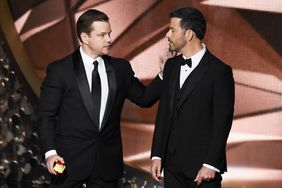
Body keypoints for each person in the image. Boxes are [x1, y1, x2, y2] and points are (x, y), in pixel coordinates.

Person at [38, 9, 161, 188]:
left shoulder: (121, 69)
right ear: (84, 37)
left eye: (109, 33)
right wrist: (50, 153)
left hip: (106, 165)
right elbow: (45, 117)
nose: (109, 39)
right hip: (67, 163)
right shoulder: (60, 70)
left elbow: (145, 98)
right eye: (102, 35)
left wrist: (164, 75)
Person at [150, 7, 235, 188]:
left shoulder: (219, 71)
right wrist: (157, 155)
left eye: (172, 30)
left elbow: (223, 121)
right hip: (172, 169)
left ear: (189, 34)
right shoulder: (171, 66)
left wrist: (210, 164)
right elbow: (164, 113)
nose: (167, 34)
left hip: (202, 171)